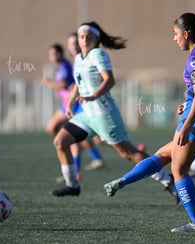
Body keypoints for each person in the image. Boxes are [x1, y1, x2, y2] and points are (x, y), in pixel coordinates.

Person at [104, 12, 195, 232]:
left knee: (179, 170)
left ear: (187, 33)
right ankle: (121, 181)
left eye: (175, 33)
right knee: (163, 155)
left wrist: (188, 122)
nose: (174, 38)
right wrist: (188, 102)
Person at [50, 22, 177, 202]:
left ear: (97, 39)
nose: (84, 40)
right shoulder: (79, 59)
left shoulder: (98, 54)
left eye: (89, 37)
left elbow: (109, 80)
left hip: (103, 114)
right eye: (81, 36)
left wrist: (94, 96)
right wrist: (70, 104)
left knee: (128, 153)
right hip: (87, 115)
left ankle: (168, 180)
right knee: (60, 141)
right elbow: (78, 85)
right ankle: (73, 185)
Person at [41, 43, 83, 180]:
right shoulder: (61, 67)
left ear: (60, 53)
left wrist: (49, 83)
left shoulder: (64, 66)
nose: (52, 57)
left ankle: (74, 168)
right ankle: (74, 165)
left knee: (53, 128)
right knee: (73, 137)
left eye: (54, 54)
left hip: (72, 105)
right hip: (68, 104)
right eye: (50, 55)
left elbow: (64, 85)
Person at [67, 32, 105, 171]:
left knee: (98, 139)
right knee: (73, 138)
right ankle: (75, 172)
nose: (75, 46)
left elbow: (104, 79)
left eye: (76, 43)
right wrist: (69, 105)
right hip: (79, 106)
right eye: (72, 44)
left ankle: (75, 173)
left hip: (88, 105)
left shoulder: (88, 59)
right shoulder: (77, 61)